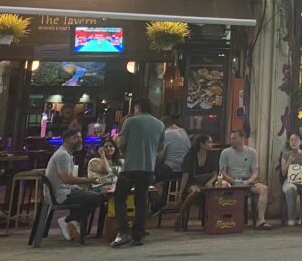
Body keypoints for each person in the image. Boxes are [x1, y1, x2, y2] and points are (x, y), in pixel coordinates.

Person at [112, 98, 165, 247]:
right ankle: (138, 235)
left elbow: (121, 142)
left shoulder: (131, 121)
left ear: (138, 107)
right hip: (148, 168)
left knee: (119, 198)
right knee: (141, 201)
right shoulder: (160, 124)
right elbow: (161, 147)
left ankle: (124, 232)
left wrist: (118, 140)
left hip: (130, 166)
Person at [44, 127, 102, 243]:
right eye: (75, 137)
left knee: (89, 196)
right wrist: (87, 180)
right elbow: (66, 179)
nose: (79, 140)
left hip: (63, 191)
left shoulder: (67, 154)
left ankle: (74, 223)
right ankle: (69, 220)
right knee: (97, 198)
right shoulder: (63, 155)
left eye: (80, 137)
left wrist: (79, 186)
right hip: (60, 194)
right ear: (66, 139)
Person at [219, 129, 272, 229]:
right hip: (231, 180)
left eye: (234, 138)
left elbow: (255, 172)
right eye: (231, 139)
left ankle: (261, 220)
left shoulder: (252, 152)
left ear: (242, 138)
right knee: (223, 186)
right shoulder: (225, 152)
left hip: (247, 180)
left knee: (263, 189)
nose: (232, 141)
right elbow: (223, 172)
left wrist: (248, 181)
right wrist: (233, 181)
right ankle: (226, 219)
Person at [173, 134, 221, 230]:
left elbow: (215, 173)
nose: (211, 144)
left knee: (216, 192)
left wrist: (210, 182)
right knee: (195, 191)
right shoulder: (190, 157)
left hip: (207, 183)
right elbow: (185, 176)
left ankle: (214, 220)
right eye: (209, 142)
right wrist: (180, 194)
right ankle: (179, 215)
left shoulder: (212, 156)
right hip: (192, 183)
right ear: (202, 144)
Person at [280, 132, 302, 226]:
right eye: (291, 140)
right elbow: (283, 172)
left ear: (300, 142)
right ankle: (292, 218)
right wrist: (289, 162)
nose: (293, 142)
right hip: (290, 180)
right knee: (290, 189)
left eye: (295, 140)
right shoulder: (285, 155)